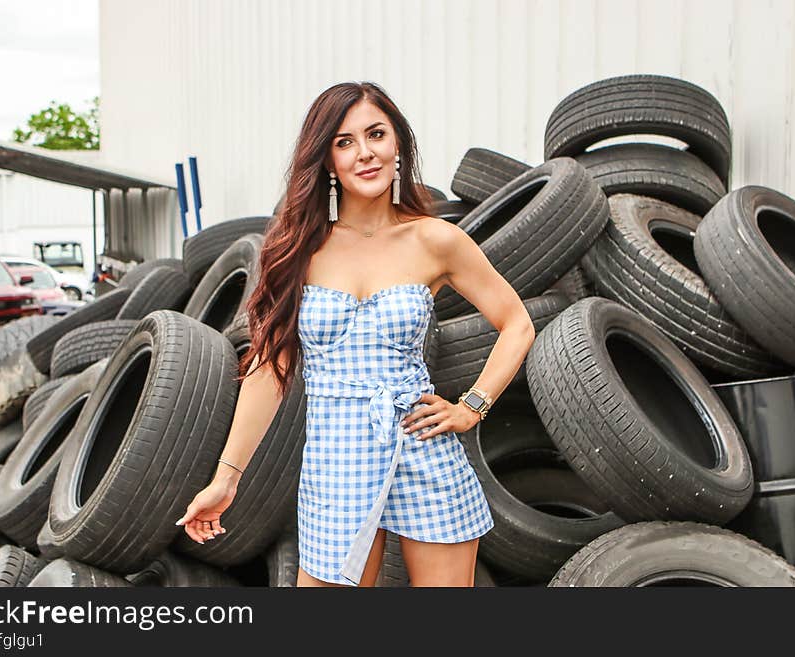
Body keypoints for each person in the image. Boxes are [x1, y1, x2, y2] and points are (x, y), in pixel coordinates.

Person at [175, 81, 536, 587]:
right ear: (326, 160)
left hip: (422, 446)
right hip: (335, 459)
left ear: (398, 146)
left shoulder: (436, 240)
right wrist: (225, 479)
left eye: (376, 134)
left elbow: (517, 323)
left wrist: (471, 406)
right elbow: (268, 368)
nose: (364, 153)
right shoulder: (298, 248)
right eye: (344, 142)